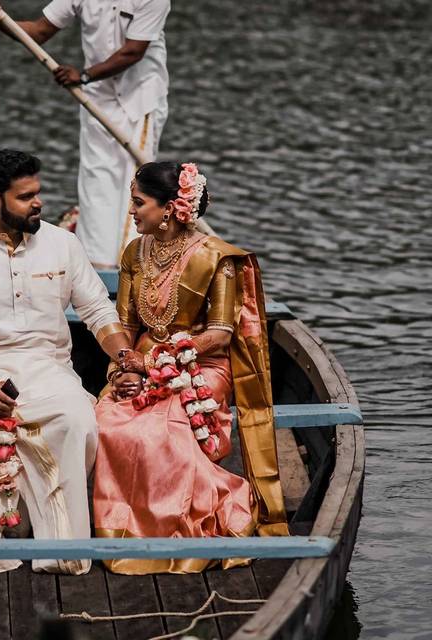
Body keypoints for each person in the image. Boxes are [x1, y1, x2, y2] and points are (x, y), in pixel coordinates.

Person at [0, 149, 135, 575]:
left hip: (49, 370)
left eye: (38, 192)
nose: (38, 202)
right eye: (26, 196)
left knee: (77, 420)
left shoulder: (63, 244)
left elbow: (98, 311)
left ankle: (61, 550)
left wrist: (126, 357)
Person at [92, 161, 289, 574]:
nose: (130, 210)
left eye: (138, 202)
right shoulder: (134, 252)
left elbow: (218, 335)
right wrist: (126, 367)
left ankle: (181, 525)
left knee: (159, 430)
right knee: (106, 420)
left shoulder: (216, 259)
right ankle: (120, 529)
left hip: (203, 365)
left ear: (169, 209)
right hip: (141, 359)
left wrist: (153, 361)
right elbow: (126, 323)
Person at [0, 0, 171, 269]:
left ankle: (133, 266)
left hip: (139, 99)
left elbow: (133, 52)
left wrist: (83, 75)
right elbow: (37, 31)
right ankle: (99, 268)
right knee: (96, 183)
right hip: (96, 99)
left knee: (136, 183)